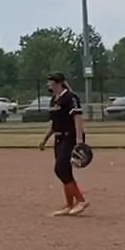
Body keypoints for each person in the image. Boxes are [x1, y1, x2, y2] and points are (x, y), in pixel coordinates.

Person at [37, 72, 90, 216]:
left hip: (70, 138)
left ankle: (81, 201)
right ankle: (70, 205)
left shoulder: (70, 97)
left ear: (58, 83)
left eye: (50, 82)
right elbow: (54, 124)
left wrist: (79, 141)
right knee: (65, 171)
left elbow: (77, 118)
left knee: (60, 169)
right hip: (59, 139)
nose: (48, 84)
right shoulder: (54, 100)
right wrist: (45, 139)